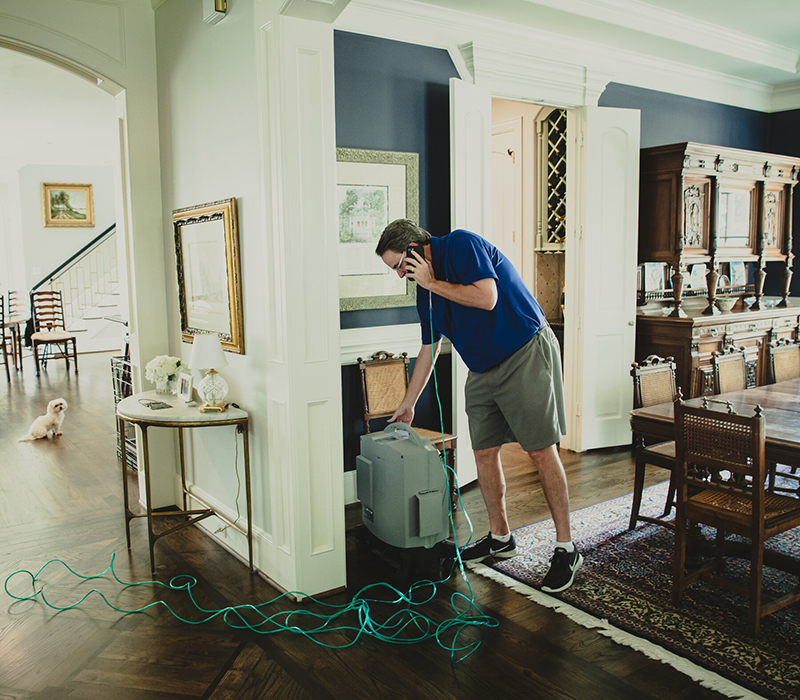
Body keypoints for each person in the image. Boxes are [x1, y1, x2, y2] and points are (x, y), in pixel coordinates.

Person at [375, 219, 582, 593]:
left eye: (399, 266)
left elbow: (487, 297)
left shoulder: (461, 245)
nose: (400, 275)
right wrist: (409, 403)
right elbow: (429, 347)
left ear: (414, 250)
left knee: (540, 451)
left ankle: (567, 548)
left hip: (524, 352)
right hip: (483, 369)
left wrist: (431, 282)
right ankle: (501, 538)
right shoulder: (424, 292)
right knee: (484, 454)